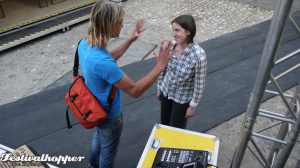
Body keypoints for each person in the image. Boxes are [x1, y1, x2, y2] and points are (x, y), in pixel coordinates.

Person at [77, 1, 171, 167]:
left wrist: (130, 40)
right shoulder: (102, 62)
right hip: (109, 116)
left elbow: (107, 59)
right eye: (120, 21)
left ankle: (92, 164)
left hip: (95, 108)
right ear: (110, 24)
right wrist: (161, 65)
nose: (122, 24)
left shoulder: (85, 44)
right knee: (107, 154)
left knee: (99, 137)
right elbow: (135, 90)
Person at [157, 14, 207, 129]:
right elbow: (162, 69)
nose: (174, 34)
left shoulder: (199, 55)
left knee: (176, 130)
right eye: (173, 30)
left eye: (177, 30)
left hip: (182, 98)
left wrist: (193, 106)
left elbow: (199, 84)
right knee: (164, 125)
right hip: (166, 92)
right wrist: (159, 87)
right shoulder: (171, 46)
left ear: (188, 31)